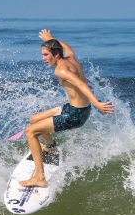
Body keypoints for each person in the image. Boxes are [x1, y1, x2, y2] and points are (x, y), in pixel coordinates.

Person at [19, 29, 115, 188]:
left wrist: (97, 103)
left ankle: (39, 177)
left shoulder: (60, 69)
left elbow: (81, 84)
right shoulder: (70, 58)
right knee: (34, 120)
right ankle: (50, 147)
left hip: (75, 115)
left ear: (56, 55)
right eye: (43, 55)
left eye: (46, 55)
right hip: (75, 108)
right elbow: (68, 48)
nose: (43, 59)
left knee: (30, 131)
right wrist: (51, 39)